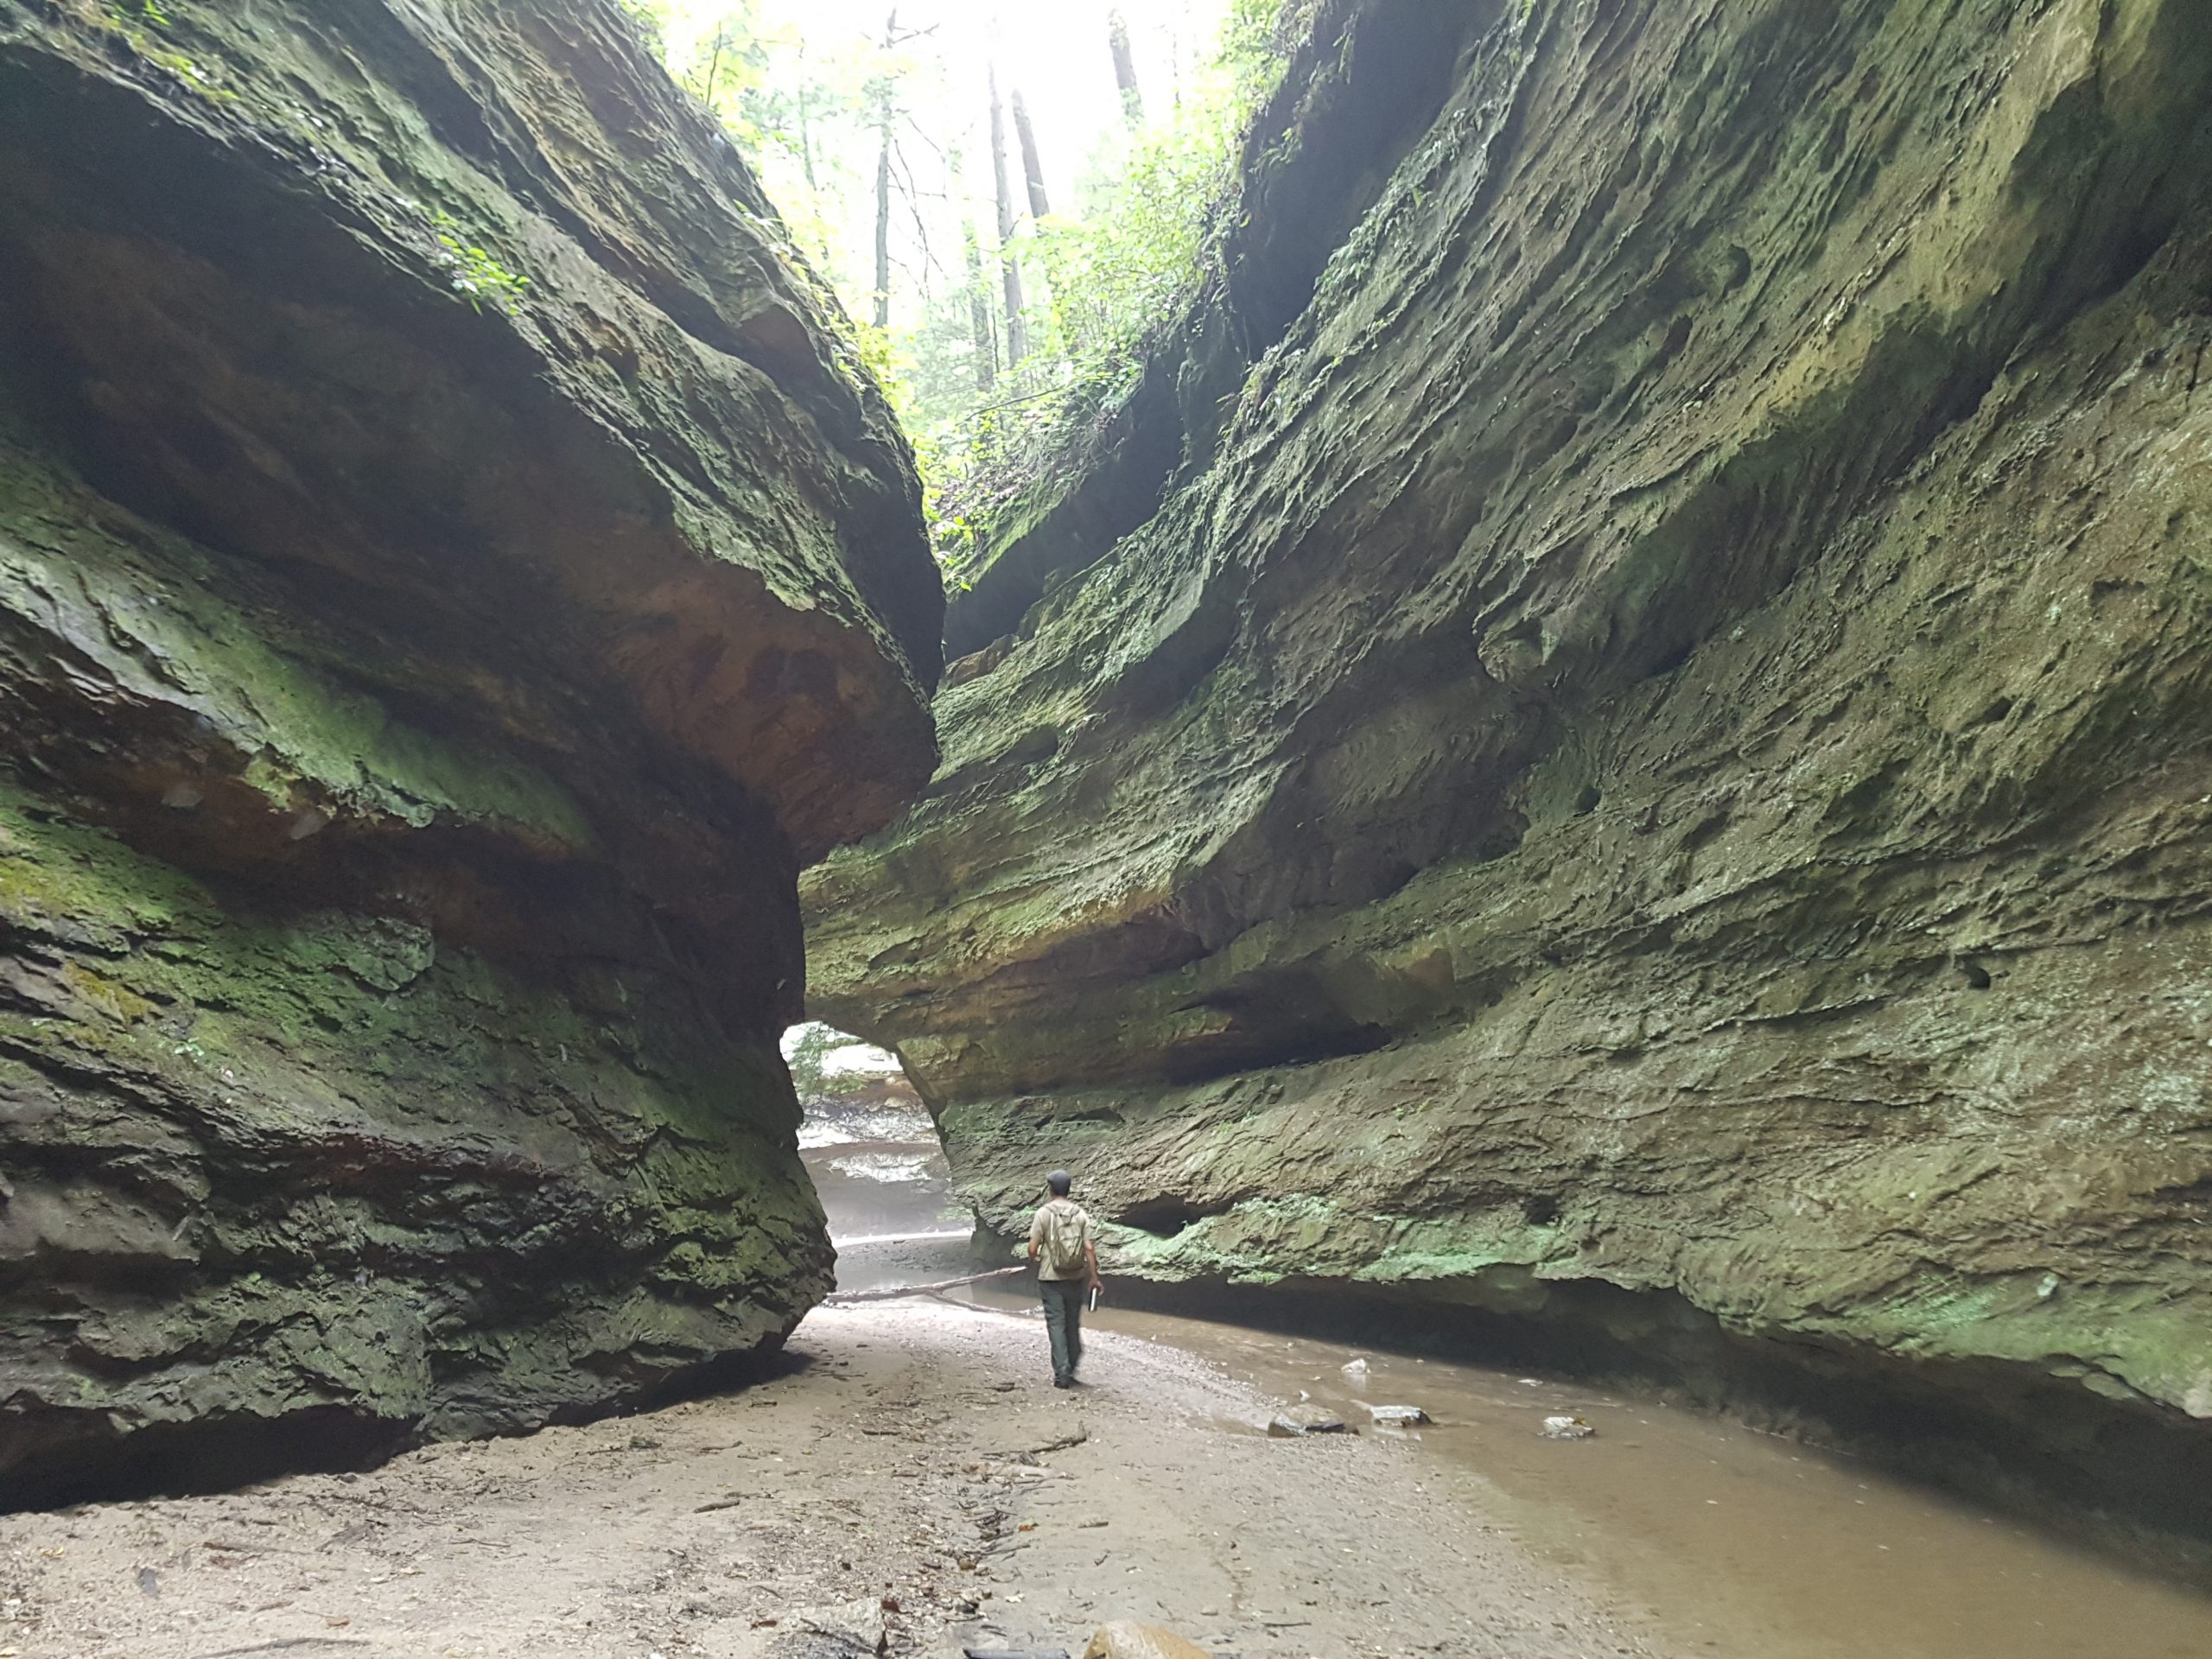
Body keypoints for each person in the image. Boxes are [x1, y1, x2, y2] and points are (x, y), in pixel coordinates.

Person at [1027, 1170, 1103, 1389]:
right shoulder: (1080, 1214)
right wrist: (1094, 1278)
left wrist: (1037, 1258)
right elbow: (1089, 1248)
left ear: (1050, 1189)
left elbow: (1033, 1247)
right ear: (1069, 1189)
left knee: (1056, 1325)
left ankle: (1062, 1374)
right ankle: (1071, 1367)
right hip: (1076, 1277)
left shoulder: (1043, 1213)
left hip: (1050, 1278)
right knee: (1072, 1324)